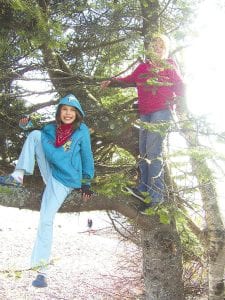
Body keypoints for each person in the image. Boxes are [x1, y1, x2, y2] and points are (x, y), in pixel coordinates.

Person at [0, 94, 94, 287]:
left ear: (77, 114)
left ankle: (41, 271)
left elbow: (87, 155)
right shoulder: (51, 128)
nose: (68, 114)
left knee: (45, 219)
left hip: (65, 180)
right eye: (64, 110)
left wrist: (86, 183)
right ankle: (18, 176)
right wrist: (26, 124)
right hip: (49, 172)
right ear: (59, 111)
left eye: (72, 111)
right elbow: (35, 132)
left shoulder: (81, 131)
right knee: (35, 135)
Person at [101, 34, 185, 209]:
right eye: (154, 47)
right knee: (144, 153)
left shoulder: (169, 65)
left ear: (165, 50)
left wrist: (180, 106)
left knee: (154, 153)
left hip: (162, 112)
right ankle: (143, 189)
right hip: (145, 114)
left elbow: (180, 86)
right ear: (149, 49)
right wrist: (111, 81)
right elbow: (127, 80)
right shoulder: (143, 68)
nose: (157, 49)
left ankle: (156, 197)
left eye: (161, 47)